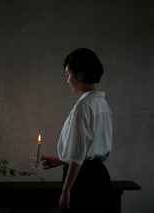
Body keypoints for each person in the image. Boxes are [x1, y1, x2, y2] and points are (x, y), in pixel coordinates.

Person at [41, 48, 113, 212]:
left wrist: (66, 191)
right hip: (99, 177)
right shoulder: (102, 103)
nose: (67, 80)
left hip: (82, 181)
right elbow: (87, 150)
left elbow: (80, 153)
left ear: (80, 74)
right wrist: (62, 160)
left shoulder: (84, 105)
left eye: (68, 74)